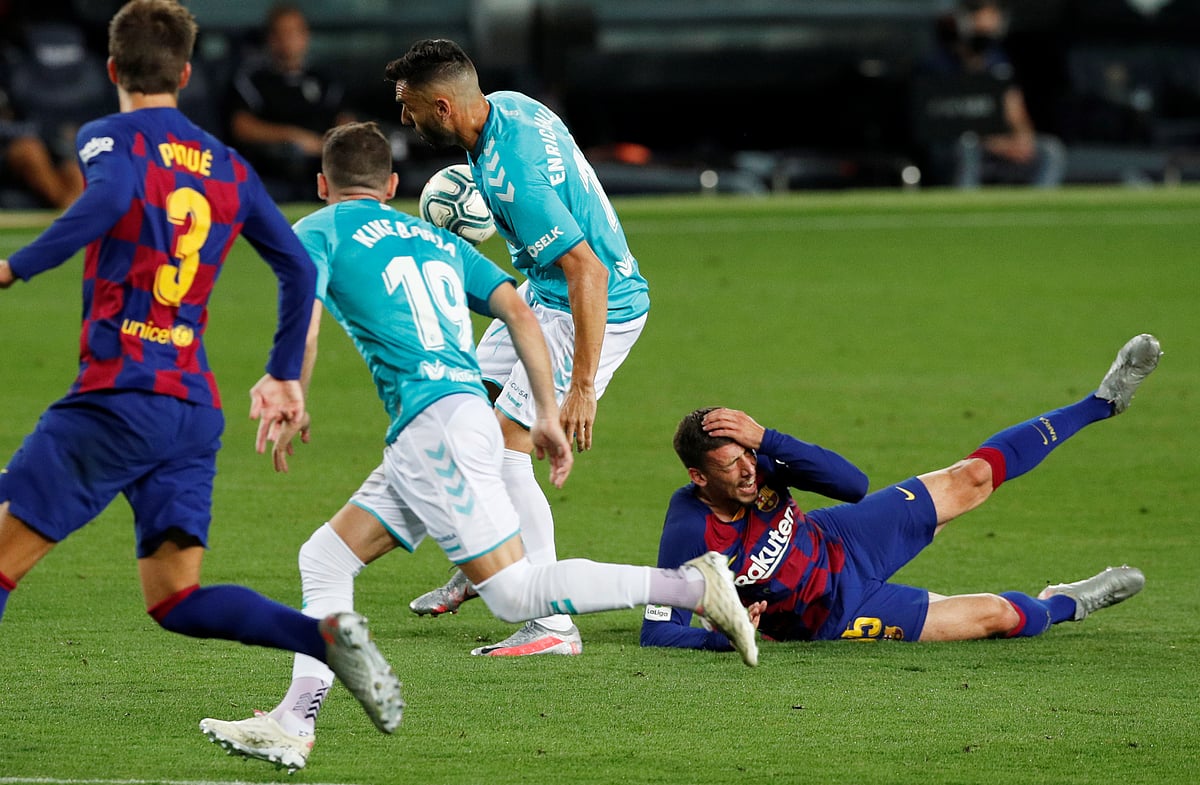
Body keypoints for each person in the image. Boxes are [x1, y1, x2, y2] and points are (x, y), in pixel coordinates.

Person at [196, 121, 754, 772]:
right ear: (395, 185)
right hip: (449, 420)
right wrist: (547, 409)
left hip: (434, 427)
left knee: (517, 595)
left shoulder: (317, 230)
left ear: (323, 185)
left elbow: (304, 313)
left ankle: (693, 586)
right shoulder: (430, 236)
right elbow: (519, 309)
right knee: (324, 557)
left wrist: (289, 382)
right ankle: (293, 720)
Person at [0, 0, 402, 738]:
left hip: (118, 393)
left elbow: (114, 197)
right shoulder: (227, 163)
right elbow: (295, 269)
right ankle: (321, 637)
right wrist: (285, 371)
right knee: (174, 598)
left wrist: (14, 266)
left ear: (113, 69)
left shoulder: (105, 137)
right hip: (189, 410)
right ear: (186, 73)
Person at [384, 38, 652, 658]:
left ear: (444, 107)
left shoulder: (513, 174)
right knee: (460, 410)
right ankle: (491, 561)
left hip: (591, 310)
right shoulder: (505, 107)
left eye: (411, 106)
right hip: (544, 293)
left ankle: (553, 624)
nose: (406, 117)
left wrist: (581, 385)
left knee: (509, 447)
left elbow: (591, 272)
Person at [641, 334, 1161, 650]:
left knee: (973, 477)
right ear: (699, 478)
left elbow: (853, 486)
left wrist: (768, 440)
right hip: (837, 612)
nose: (750, 472)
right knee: (999, 617)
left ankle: (1101, 401)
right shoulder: (691, 531)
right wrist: (725, 635)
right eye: (732, 466)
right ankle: (1067, 603)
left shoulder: (762, 463)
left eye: (749, 455)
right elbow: (658, 632)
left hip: (843, 538)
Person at [917, 0, 1066, 189]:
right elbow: (950, 122)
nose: (987, 24)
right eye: (979, 18)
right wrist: (999, 144)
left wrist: (1023, 139)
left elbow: (1014, 108)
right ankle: (965, 209)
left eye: (991, 16)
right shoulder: (937, 65)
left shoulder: (998, 63)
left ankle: (1037, 212)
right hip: (956, 149)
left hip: (999, 148)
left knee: (1050, 150)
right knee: (967, 146)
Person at [225, 3, 353, 201]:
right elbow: (241, 127)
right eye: (281, 33)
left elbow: (345, 118)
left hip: (325, 166)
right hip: (273, 171)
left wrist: (332, 142)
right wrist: (293, 137)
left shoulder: (323, 80)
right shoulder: (252, 80)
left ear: (305, 36)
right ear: (270, 38)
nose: (288, 39)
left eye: (294, 32)